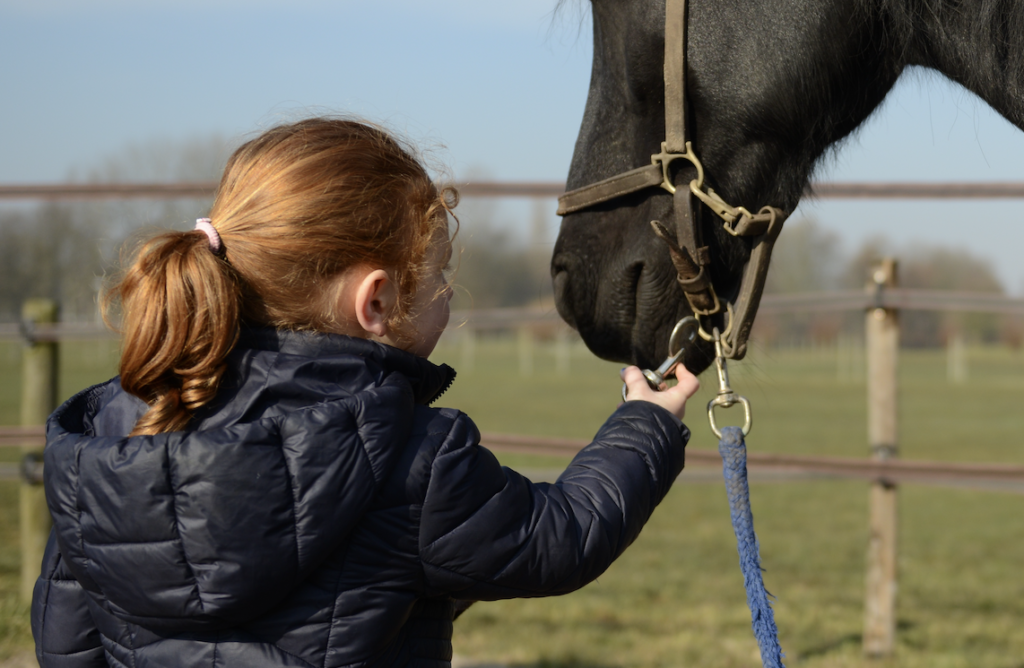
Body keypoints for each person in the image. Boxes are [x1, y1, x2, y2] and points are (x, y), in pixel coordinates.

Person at [31, 117, 699, 668]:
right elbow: (560, 537)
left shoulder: (109, 432)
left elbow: (67, 639)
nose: (446, 294)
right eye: (439, 276)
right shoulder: (411, 458)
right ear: (376, 301)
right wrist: (644, 424)